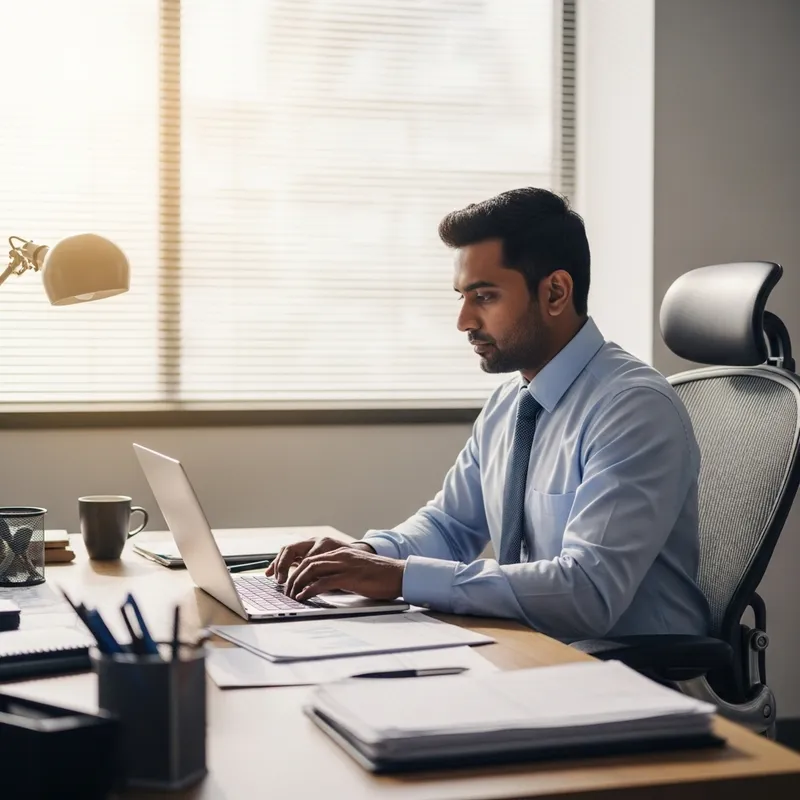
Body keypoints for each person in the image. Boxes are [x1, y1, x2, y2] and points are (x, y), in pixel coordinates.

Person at [267, 187, 711, 641]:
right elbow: (450, 525)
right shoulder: (510, 403)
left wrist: (400, 577)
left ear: (555, 292)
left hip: (634, 678)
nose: (463, 320)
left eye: (484, 297)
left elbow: (587, 592)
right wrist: (363, 555)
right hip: (531, 652)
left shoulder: (632, 409)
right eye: (461, 296)